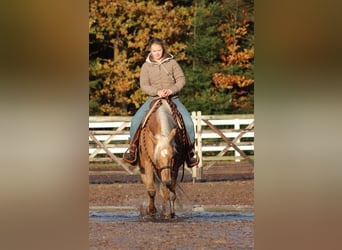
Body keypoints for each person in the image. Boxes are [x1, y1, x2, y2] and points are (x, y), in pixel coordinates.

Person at [123, 38, 199, 168]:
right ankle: (133, 149)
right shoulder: (146, 66)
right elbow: (144, 85)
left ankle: (190, 153)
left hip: (173, 99)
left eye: (159, 50)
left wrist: (170, 90)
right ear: (150, 51)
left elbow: (181, 80)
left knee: (189, 123)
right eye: (154, 51)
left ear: (163, 49)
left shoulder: (172, 62)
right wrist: (157, 92)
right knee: (136, 120)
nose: (157, 53)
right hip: (154, 99)